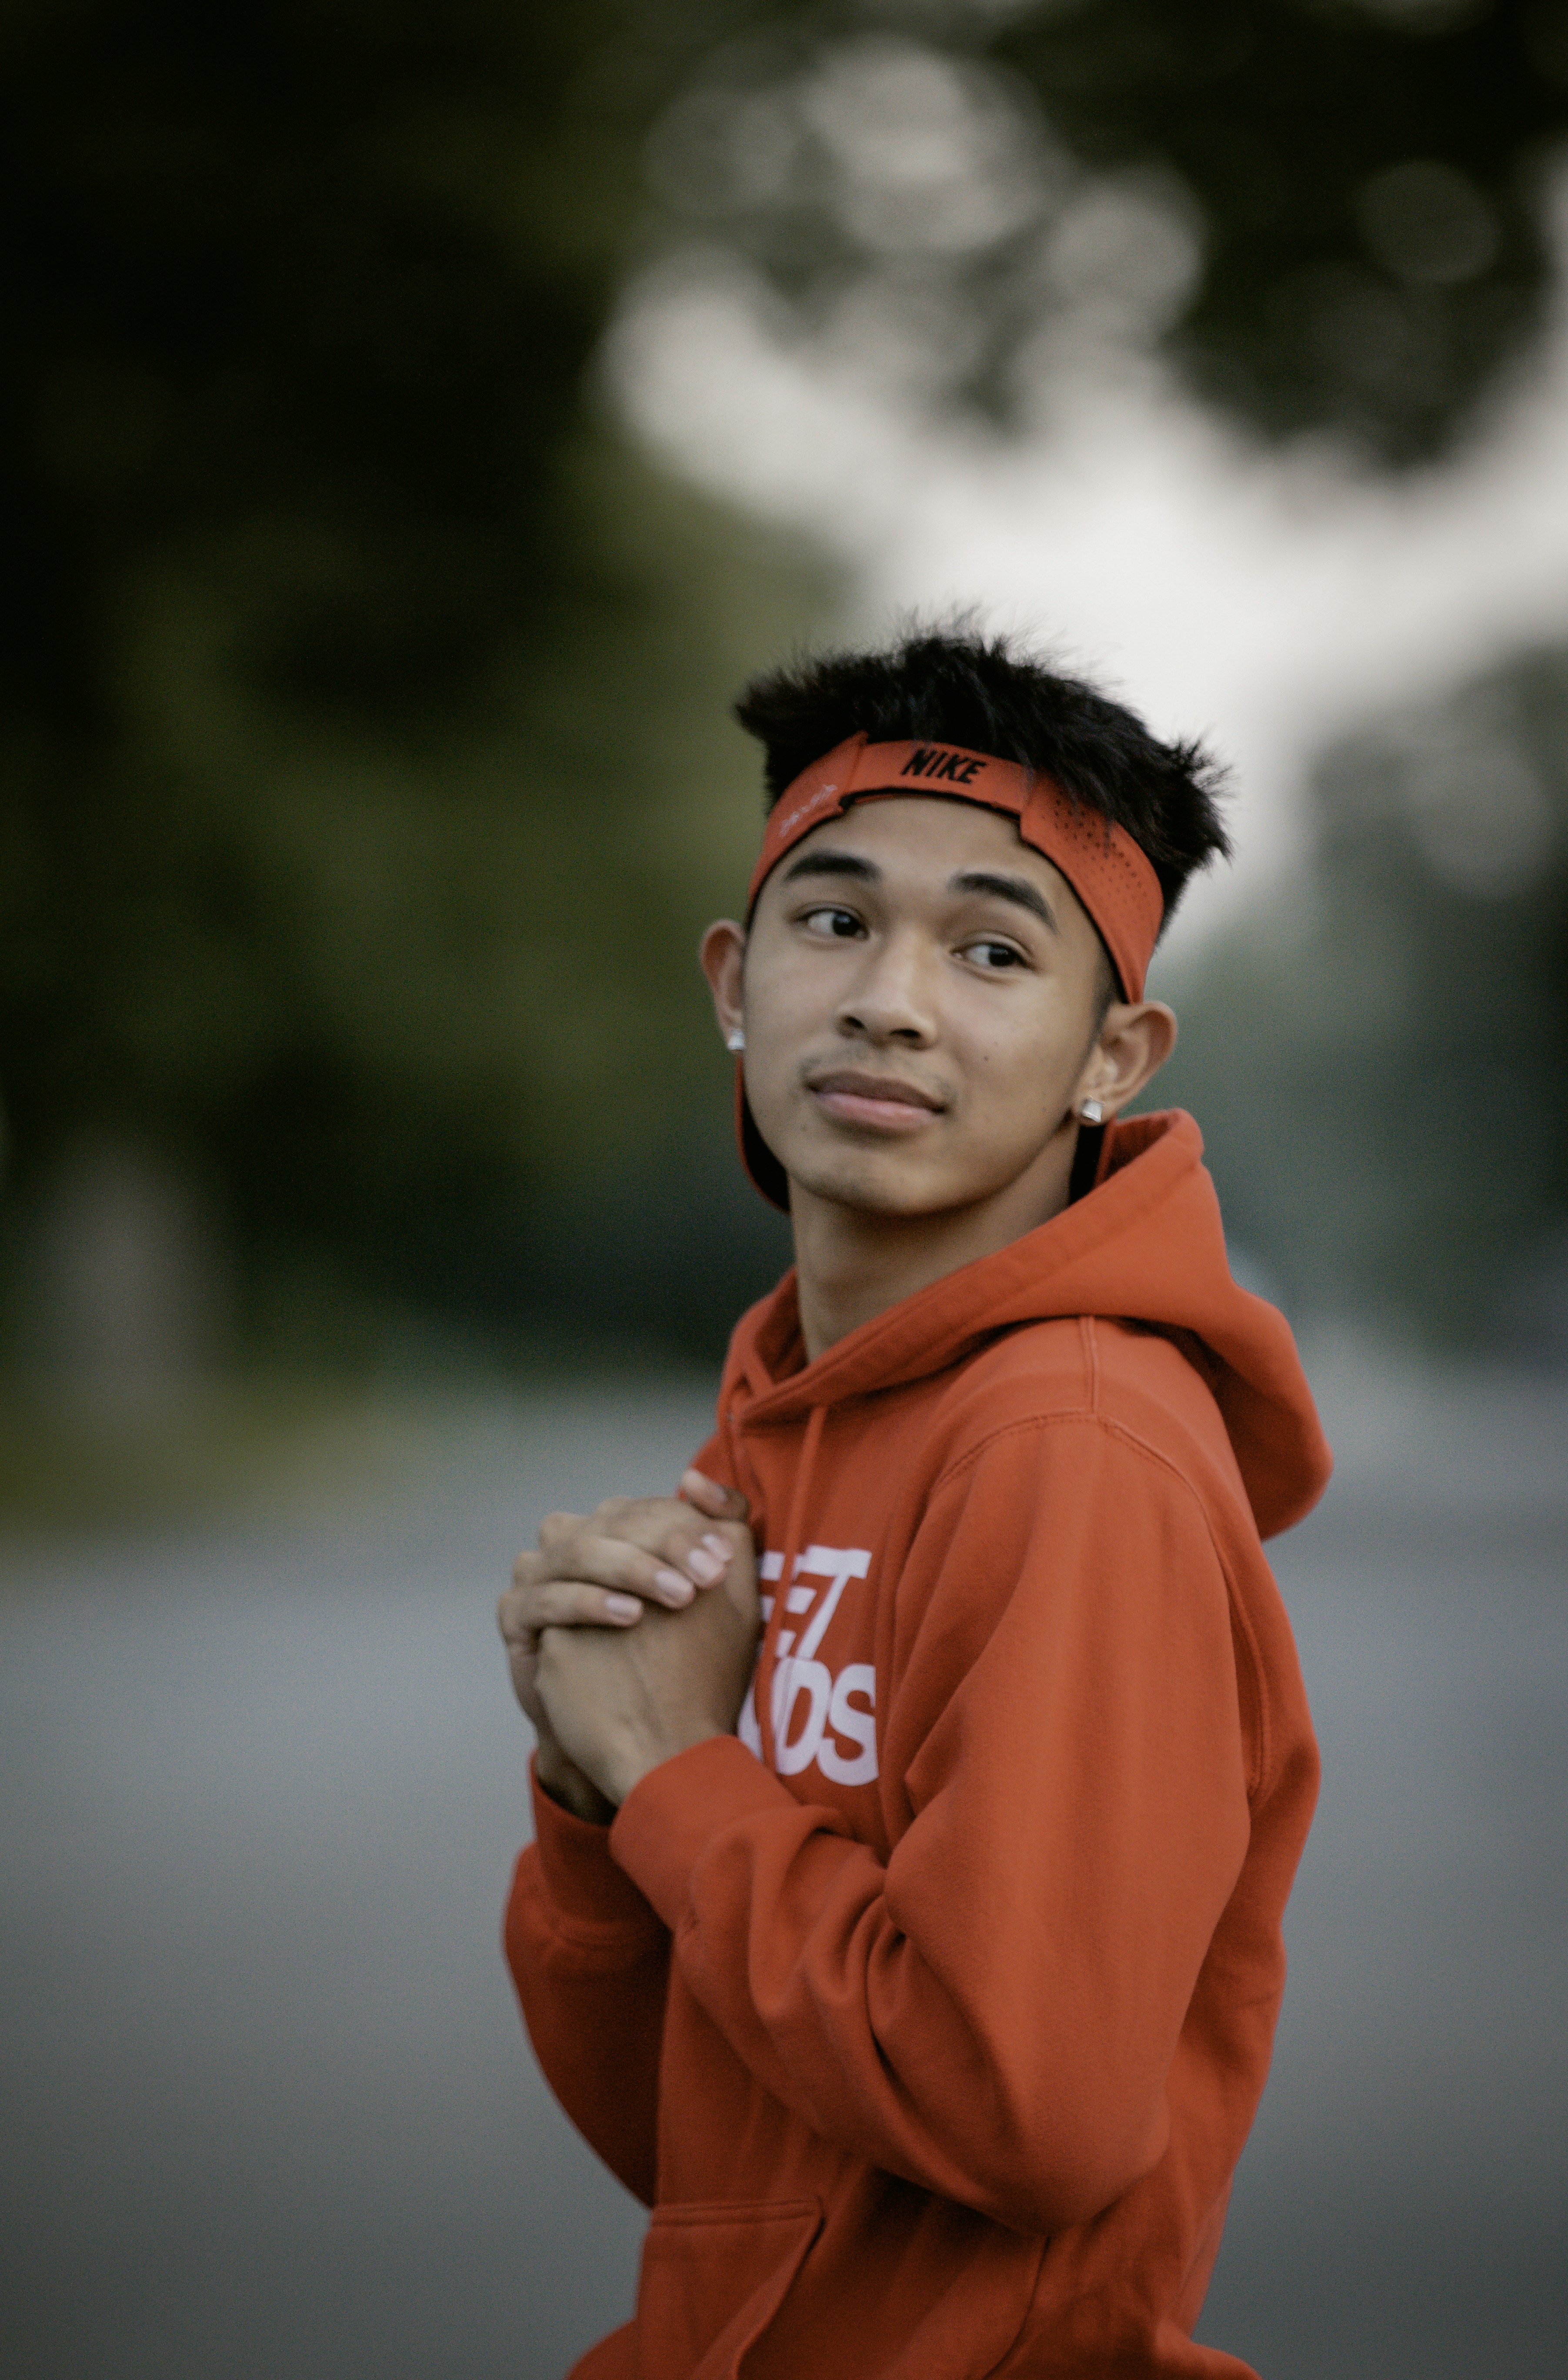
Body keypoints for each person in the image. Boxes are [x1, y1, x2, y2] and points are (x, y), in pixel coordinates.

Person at [497, 623, 1329, 2380]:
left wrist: (674, 1769)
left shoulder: (1071, 1445)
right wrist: (596, 1793)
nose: (890, 994)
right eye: (835, 919)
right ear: (735, 977)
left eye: (994, 949)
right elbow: (700, 2151)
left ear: (1118, 1056)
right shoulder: (786, 1420)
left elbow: (1033, 2110)